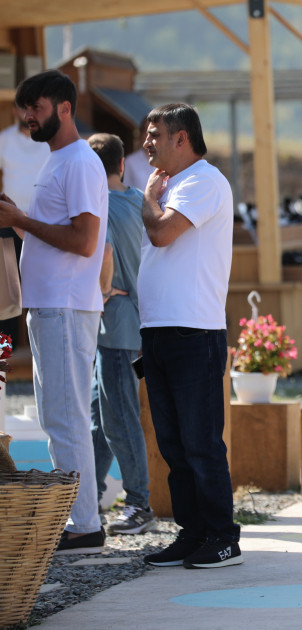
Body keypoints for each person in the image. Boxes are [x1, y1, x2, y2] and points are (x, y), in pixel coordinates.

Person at [0, 70, 109, 554]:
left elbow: (85, 242)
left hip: (64, 307)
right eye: (25, 109)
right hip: (51, 305)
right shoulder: (61, 159)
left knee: (65, 419)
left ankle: (85, 525)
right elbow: (55, 238)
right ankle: (78, 518)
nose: (28, 116)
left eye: (36, 107)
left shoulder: (79, 162)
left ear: (65, 108)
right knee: (57, 417)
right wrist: (20, 223)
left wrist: (20, 219)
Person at [137, 103, 241, 569]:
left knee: (201, 442)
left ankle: (223, 537)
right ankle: (193, 532)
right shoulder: (170, 184)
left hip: (193, 330)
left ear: (182, 138)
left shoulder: (203, 181)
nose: (146, 143)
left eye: (155, 134)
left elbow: (162, 234)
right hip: (159, 329)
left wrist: (146, 199)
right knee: (174, 445)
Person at [86, 132, 153, 534]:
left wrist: (103, 290)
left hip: (115, 324)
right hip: (136, 321)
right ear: (122, 164)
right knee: (99, 418)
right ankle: (87, 498)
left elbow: (105, 254)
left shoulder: (101, 206)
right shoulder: (137, 200)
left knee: (119, 420)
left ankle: (140, 504)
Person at [0, 105, 51, 346]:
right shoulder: (4, 140)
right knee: (8, 292)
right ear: (14, 111)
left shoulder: (48, 141)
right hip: (8, 223)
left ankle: (37, 350)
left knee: (40, 288)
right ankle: (5, 355)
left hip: (41, 225)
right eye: (23, 108)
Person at [122, 116, 152, 192]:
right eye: (146, 131)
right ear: (141, 134)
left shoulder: (168, 160)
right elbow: (126, 188)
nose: (149, 136)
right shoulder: (130, 161)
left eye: (153, 132)